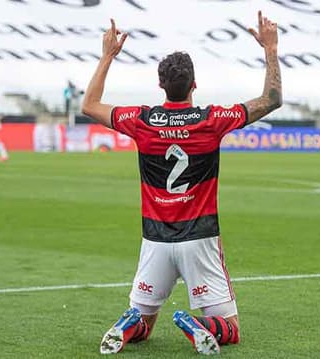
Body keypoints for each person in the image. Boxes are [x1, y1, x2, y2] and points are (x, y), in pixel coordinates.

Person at [82, 12, 282, 355]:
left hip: (155, 240)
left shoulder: (142, 120)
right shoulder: (211, 120)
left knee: (145, 328)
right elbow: (271, 100)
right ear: (194, 84)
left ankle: (129, 322)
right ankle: (200, 325)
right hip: (199, 239)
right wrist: (271, 49)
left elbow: (89, 105)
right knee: (230, 330)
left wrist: (106, 56)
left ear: (161, 86)